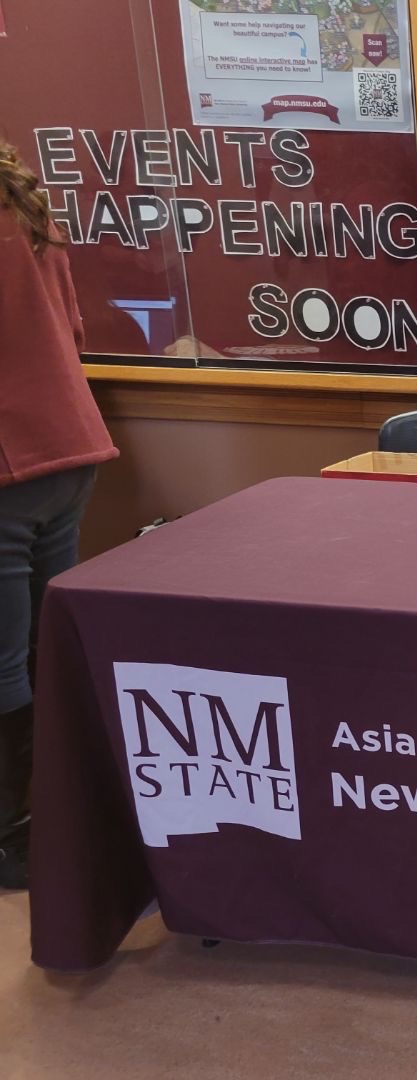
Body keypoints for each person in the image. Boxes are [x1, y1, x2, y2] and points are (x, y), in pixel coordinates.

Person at [0, 140, 118, 891]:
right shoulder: (23, 202)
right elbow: (71, 330)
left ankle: (17, 836)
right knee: (50, 642)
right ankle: (70, 813)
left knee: (7, 658)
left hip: (10, 457)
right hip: (68, 446)